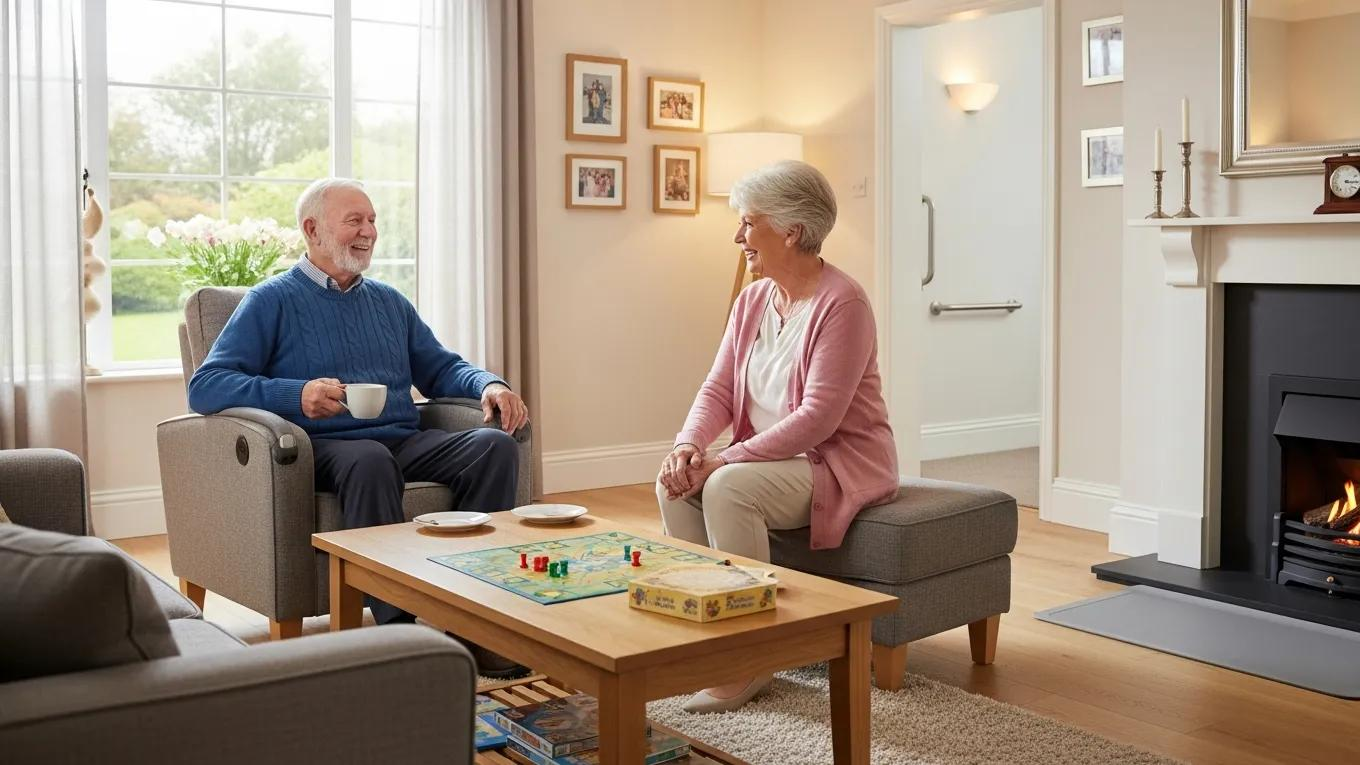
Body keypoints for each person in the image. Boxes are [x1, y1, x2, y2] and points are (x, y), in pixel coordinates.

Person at [187, 177, 531, 677]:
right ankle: (398, 636)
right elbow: (206, 385)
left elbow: (441, 367)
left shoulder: (389, 302)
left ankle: (473, 619)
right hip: (322, 447)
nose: (369, 231)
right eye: (355, 221)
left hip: (403, 440)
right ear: (312, 230)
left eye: (372, 220)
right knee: (369, 459)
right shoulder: (271, 300)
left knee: (494, 446)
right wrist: (297, 395)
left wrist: (489, 384)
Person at [656, 160, 898, 712]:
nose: (738, 236)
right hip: (766, 458)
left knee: (725, 488)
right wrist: (688, 446)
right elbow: (719, 387)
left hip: (833, 461)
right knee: (674, 483)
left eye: (748, 222)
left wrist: (725, 460)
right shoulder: (753, 300)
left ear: (791, 231)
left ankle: (751, 657)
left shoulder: (844, 304)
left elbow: (818, 419)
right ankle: (701, 641)